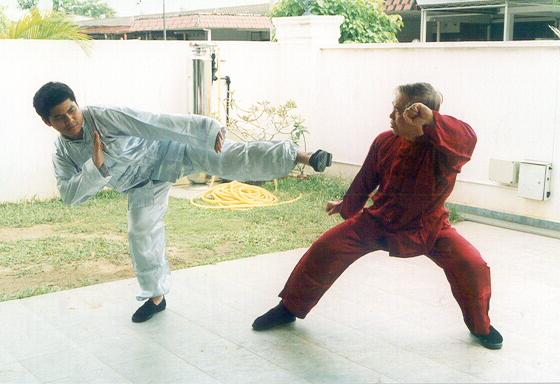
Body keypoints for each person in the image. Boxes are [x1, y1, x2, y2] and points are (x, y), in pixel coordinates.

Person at [33, 81, 332, 323]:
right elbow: (70, 195)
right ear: (48, 122)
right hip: (141, 186)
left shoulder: (103, 116)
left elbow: (152, 123)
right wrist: (96, 165)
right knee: (140, 235)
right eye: (60, 117)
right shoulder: (62, 153)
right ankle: (156, 298)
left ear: (77, 104)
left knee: (228, 158)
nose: (70, 119)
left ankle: (303, 156)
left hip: (170, 152)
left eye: (72, 110)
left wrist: (207, 129)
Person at [252, 82, 503, 350]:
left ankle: (481, 326)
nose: (390, 117)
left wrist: (432, 119)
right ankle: (288, 308)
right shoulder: (385, 140)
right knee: (325, 250)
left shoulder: (445, 152)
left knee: (472, 266)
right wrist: (347, 204)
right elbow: (366, 178)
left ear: (418, 117)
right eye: (392, 109)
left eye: (397, 111)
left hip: (429, 226)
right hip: (379, 220)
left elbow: (468, 138)